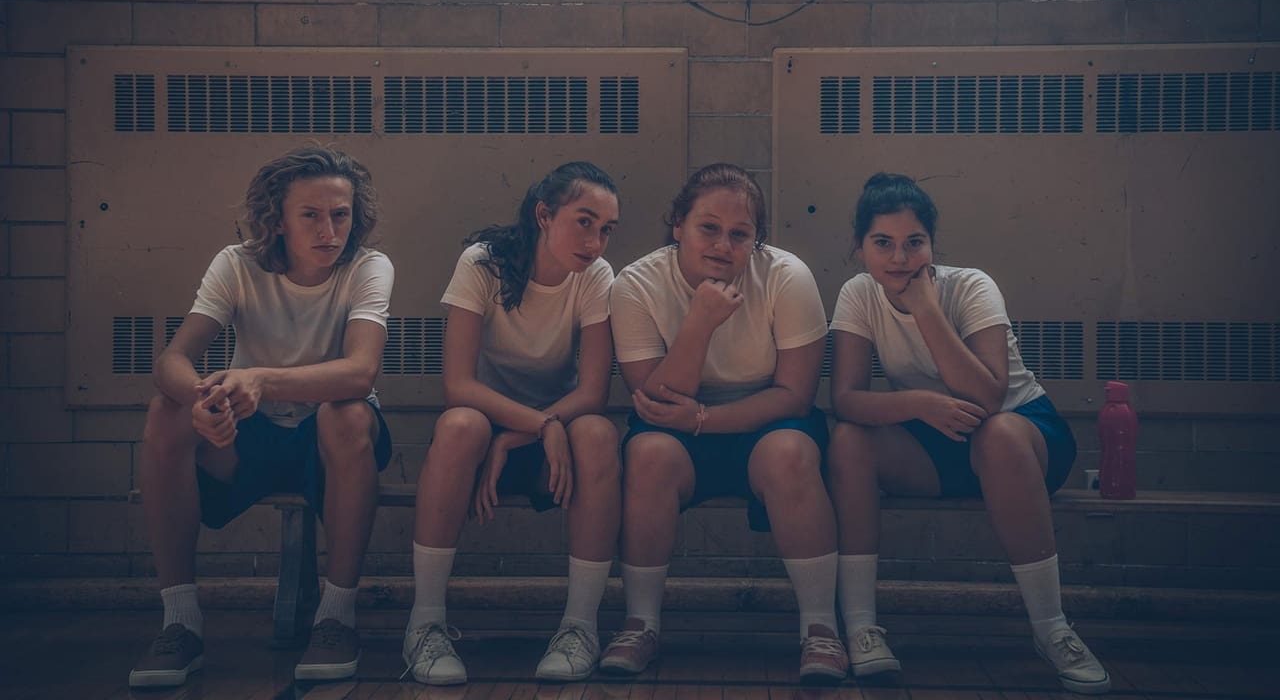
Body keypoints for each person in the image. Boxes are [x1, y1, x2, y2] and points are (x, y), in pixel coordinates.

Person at [826, 172, 1110, 694]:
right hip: (933, 437)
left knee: (998, 435)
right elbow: (844, 399)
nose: (900, 258)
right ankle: (862, 628)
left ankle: (1053, 629)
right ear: (859, 247)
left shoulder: (972, 286)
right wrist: (918, 403)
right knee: (846, 439)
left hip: (1022, 436)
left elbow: (988, 398)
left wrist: (926, 309)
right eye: (883, 243)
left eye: (914, 242)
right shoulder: (858, 294)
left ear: (932, 245)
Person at [129, 146, 395, 687]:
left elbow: (360, 372)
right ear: (277, 220)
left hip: (330, 437)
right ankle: (180, 624)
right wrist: (203, 402)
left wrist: (260, 378)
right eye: (311, 215)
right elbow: (171, 361)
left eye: (340, 214)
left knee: (345, 415)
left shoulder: (368, 266)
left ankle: (336, 619)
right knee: (166, 412)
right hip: (251, 433)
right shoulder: (237, 264)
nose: (329, 230)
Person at [601, 163, 848, 682]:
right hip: (675, 427)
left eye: (740, 234)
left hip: (767, 422)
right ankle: (640, 623)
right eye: (708, 228)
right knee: (648, 453)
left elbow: (796, 395)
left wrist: (703, 419)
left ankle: (821, 628)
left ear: (758, 240)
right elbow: (654, 400)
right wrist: (700, 321)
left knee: (790, 454)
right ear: (677, 225)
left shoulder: (786, 276)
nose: (723, 245)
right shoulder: (636, 284)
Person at [401, 161, 622, 685]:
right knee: (460, 424)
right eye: (584, 222)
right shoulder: (484, 264)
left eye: (606, 229)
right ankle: (425, 625)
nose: (595, 242)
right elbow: (458, 385)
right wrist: (537, 426)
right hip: (485, 436)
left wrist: (528, 432)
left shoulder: (596, 276)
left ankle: (580, 627)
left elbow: (592, 394)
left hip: (553, 445)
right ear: (544, 215)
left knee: (598, 432)